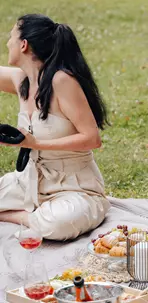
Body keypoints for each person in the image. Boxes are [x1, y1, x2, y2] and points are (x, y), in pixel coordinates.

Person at [0, 14, 110, 241]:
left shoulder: (62, 81)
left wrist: (36, 143)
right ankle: (34, 214)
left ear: (23, 45)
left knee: (58, 225)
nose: (7, 42)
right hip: (28, 183)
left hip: (75, 188)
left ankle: (20, 216)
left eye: (11, 36)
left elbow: (92, 138)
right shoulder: (22, 79)